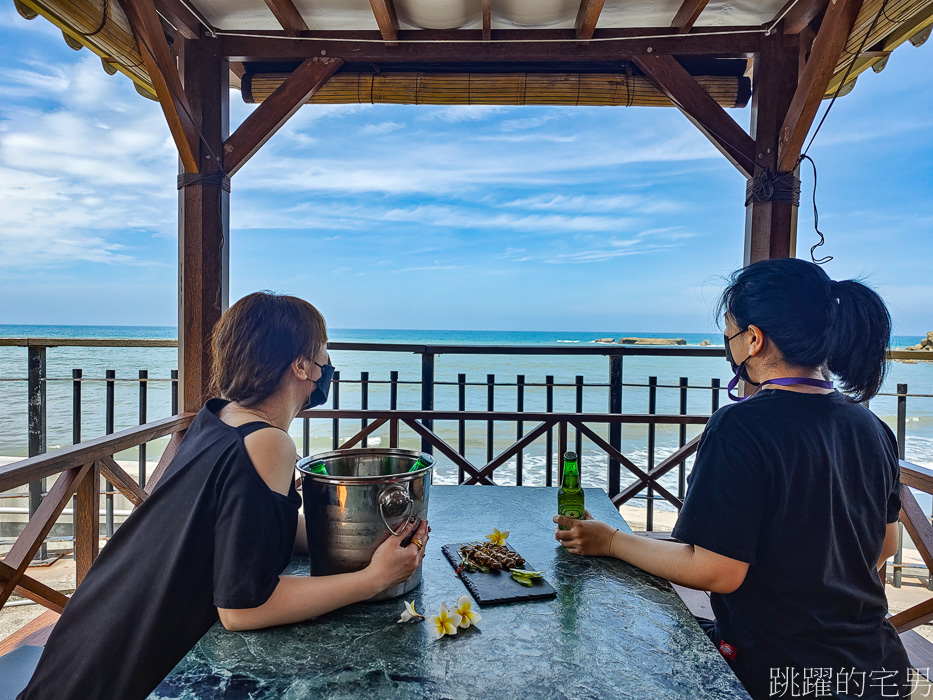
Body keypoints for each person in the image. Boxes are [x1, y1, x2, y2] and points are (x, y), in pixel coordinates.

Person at [19, 292, 429, 700]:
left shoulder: (218, 418)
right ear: (301, 366)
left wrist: (370, 539)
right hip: (123, 674)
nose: (328, 367)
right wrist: (372, 580)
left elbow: (252, 533)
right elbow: (243, 608)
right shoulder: (268, 442)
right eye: (323, 354)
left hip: (86, 643)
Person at [554, 258, 909, 699]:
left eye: (730, 335)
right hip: (878, 667)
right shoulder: (872, 427)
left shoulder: (740, 426)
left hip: (779, 674)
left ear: (754, 340)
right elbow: (886, 546)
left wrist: (610, 542)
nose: (728, 346)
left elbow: (716, 570)